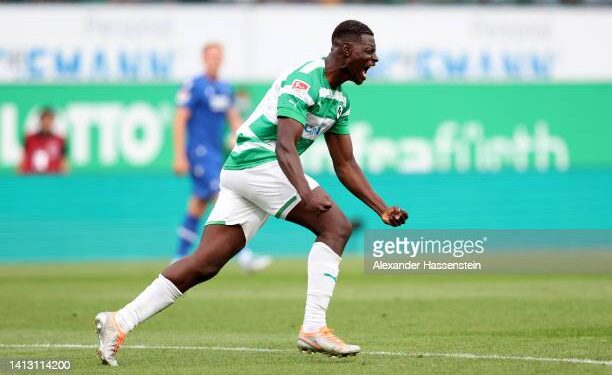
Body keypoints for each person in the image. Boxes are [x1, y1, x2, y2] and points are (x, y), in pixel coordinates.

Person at [95, 20, 408, 366]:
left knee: (206, 263)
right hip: (257, 162)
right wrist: (304, 192)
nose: (375, 58)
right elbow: (284, 146)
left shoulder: (340, 101)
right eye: (369, 51)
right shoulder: (304, 80)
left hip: (246, 171)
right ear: (346, 49)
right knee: (336, 227)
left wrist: (381, 208)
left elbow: (346, 164)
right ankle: (314, 327)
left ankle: (118, 321)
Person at [173, 42, 271, 272]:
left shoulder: (226, 88)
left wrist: (247, 139)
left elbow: (234, 119)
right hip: (199, 152)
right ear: (203, 58)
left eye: (218, 57)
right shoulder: (194, 85)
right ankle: (244, 256)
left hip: (216, 153)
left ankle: (178, 256)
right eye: (211, 57)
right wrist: (179, 155)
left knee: (198, 203)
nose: (215, 60)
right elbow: (180, 119)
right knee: (222, 197)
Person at [19, 107, 68, 174]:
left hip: (52, 179)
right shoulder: (30, 139)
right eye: (44, 119)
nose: (46, 123)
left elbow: (64, 164)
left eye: (49, 120)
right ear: (40, 120)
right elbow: (22, 162)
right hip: (32, 178)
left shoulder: (59, 141)